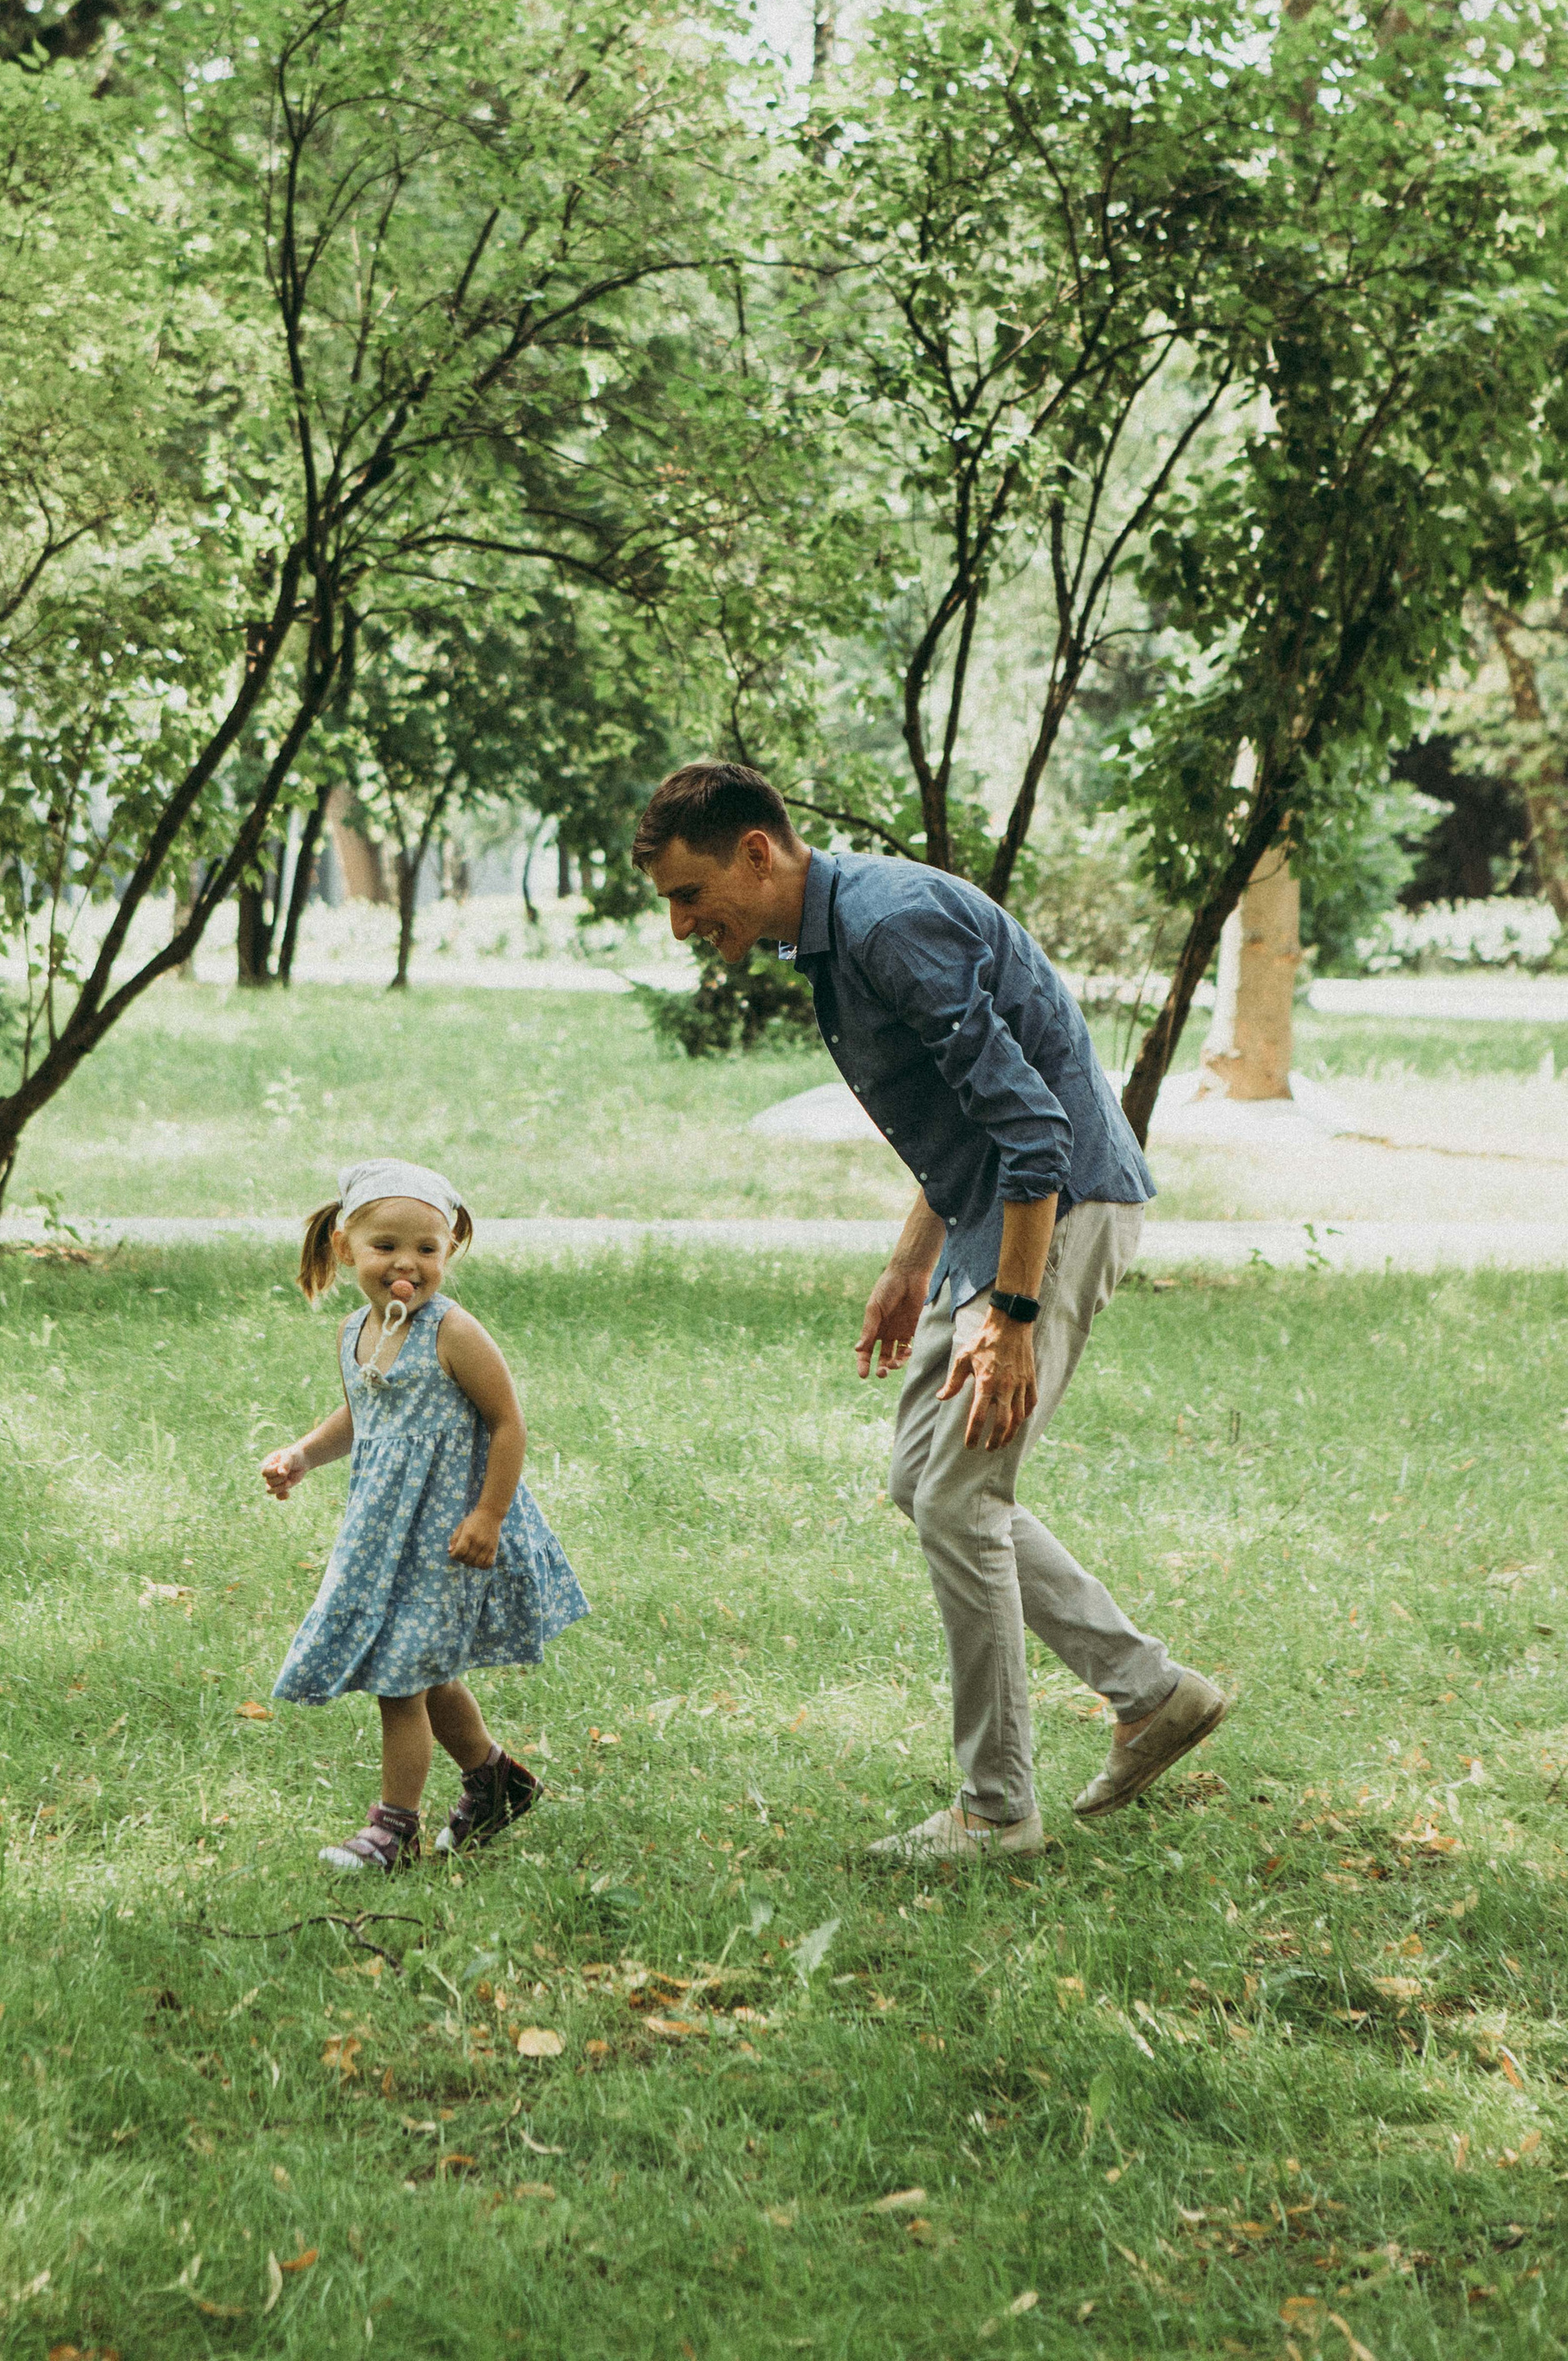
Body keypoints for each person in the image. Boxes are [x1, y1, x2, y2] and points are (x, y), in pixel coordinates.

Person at [633, 761, 1226, 1863]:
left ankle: (997, 1810)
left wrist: (1012, 1310)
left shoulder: (888, 924)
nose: (678, 924)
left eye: (686, 893)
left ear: (756, 852)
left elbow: (1034, 1126)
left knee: (960, 1495)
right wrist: (911, 1262)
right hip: (983, 1214)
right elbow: (963, 1114)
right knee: (928, 1482)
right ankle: (1150, 1695)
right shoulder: (836, 933)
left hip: (1055, 1211)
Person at [260, 1158, 587, 1874]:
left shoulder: (453, 1331)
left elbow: (507, 1423)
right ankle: (496, 1782)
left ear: (449, 1252)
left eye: (427, 1249)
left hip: (448, 1531)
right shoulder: (356, 1331)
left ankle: (393, 1830)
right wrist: (305, 1455)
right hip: (386, 1532)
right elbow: (364, 1412)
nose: (406, 1263)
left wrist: (489, 1516)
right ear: (345, 1247)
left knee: (400, 1679)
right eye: (385, 1247)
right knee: (426, 1671)